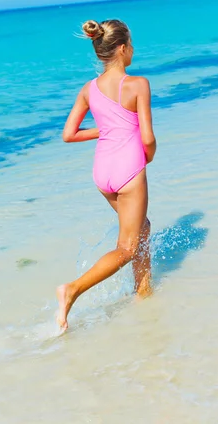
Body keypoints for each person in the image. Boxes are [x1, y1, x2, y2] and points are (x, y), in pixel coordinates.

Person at [56, 18, 156, 331]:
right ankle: (71, 290)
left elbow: (69, 134)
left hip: (103, 173)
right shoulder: (138, 84)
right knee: (127, 247)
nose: (133, 50)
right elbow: (148, 139)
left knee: (142, 228)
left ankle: (143, 292)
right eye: (132, 45)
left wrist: (106, 129)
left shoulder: (88, 89)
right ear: (123, 48)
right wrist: (146, 159)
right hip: (128, 169)